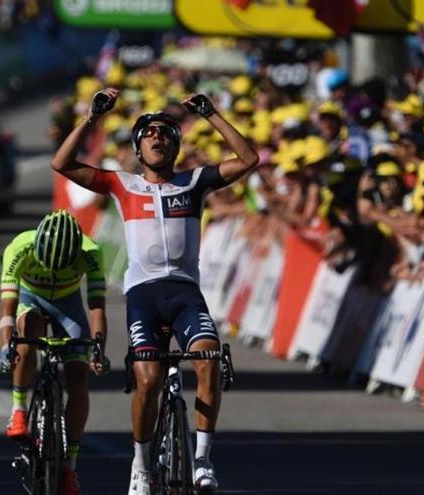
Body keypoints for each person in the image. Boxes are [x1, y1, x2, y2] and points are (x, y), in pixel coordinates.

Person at [51, 88, 258, 494]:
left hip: (185, 293)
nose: (157, 137)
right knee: (147, 381)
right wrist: (93, 117)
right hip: (144, 296)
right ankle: (141, 467)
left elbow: (249, 159)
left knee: (208, 359)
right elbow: (61, 163)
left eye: (166, 132)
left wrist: (212, 114)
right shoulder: (123, 185)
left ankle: (202, 459)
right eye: (149, 134)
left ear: (177, 146)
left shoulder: (195, 182)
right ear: (138, 148)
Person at [0, 210, 109, 495]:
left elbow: (97, 307)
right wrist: (5, 347)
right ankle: (19, 409)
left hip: (68, 305)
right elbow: (8, 313)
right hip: (30, 298)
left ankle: (69, 467)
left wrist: (98, 349)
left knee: (78, 378)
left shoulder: (91, 252)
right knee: (28, 330)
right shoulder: (19, 248)